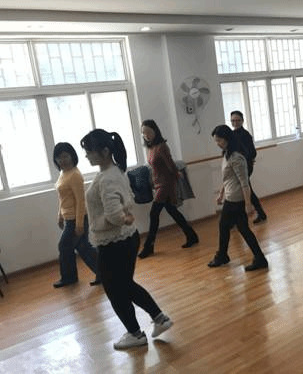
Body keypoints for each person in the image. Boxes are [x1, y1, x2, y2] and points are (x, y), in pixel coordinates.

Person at [81, 129, 173, 350]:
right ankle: (159, 319)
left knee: (115, 290)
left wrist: (123, 218)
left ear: (104, 151)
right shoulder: (114, 171)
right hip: (123, 240)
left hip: (115, 243)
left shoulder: (108, 177)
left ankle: (135, 333)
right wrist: (124, 217)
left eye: (89, 151)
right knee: (125, 285)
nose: (86, 155)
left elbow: (114, 215)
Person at [208, 125, 268, 271]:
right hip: (230, 197)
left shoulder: (237, 157)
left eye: (219, 140)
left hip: (236, 199)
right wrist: (221, 194)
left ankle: (222, 256)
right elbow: (227, 178)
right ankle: (259, 258)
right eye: (216, 140)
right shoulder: (227, 154)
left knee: (226, 226)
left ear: (227, 138)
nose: (217, 143)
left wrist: (248, 205)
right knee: (241, 229)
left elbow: (244, 183)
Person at [138, 119, 199, 259]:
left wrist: (177, 177)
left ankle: (148, 246)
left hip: (166, 185)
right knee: (172, 211)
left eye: (148, 132)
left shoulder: (162, 147)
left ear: (155, 131)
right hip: (158, 184)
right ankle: (192, 235)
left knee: (154, 214)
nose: (146, 135)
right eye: (143, 133)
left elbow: (171, 165)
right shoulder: (151, 148)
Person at [53, 142, 100, 288]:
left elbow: (80, 201)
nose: (62, 160)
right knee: (83, 248)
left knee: (64, 246)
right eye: (58, 158)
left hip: (76, 218)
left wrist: (79, 224)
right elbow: (63, 198)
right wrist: (60, 215)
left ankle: (69, 277)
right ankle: (104, 272)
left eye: (65, 156)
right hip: (69, 218)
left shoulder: (75, 175)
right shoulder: (63, 173)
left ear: (72, 156)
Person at [230, 111, 267, 224]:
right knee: (246, 190)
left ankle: (238, 219)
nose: (235, 122)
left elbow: (252, 152)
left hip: (245, 167)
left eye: (237, 120)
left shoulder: (245, 135)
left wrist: (245, 161)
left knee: (244, 190)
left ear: (242, 121)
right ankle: (260, 214)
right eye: (233, 120)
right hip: (238, 167)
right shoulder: (232, 134)